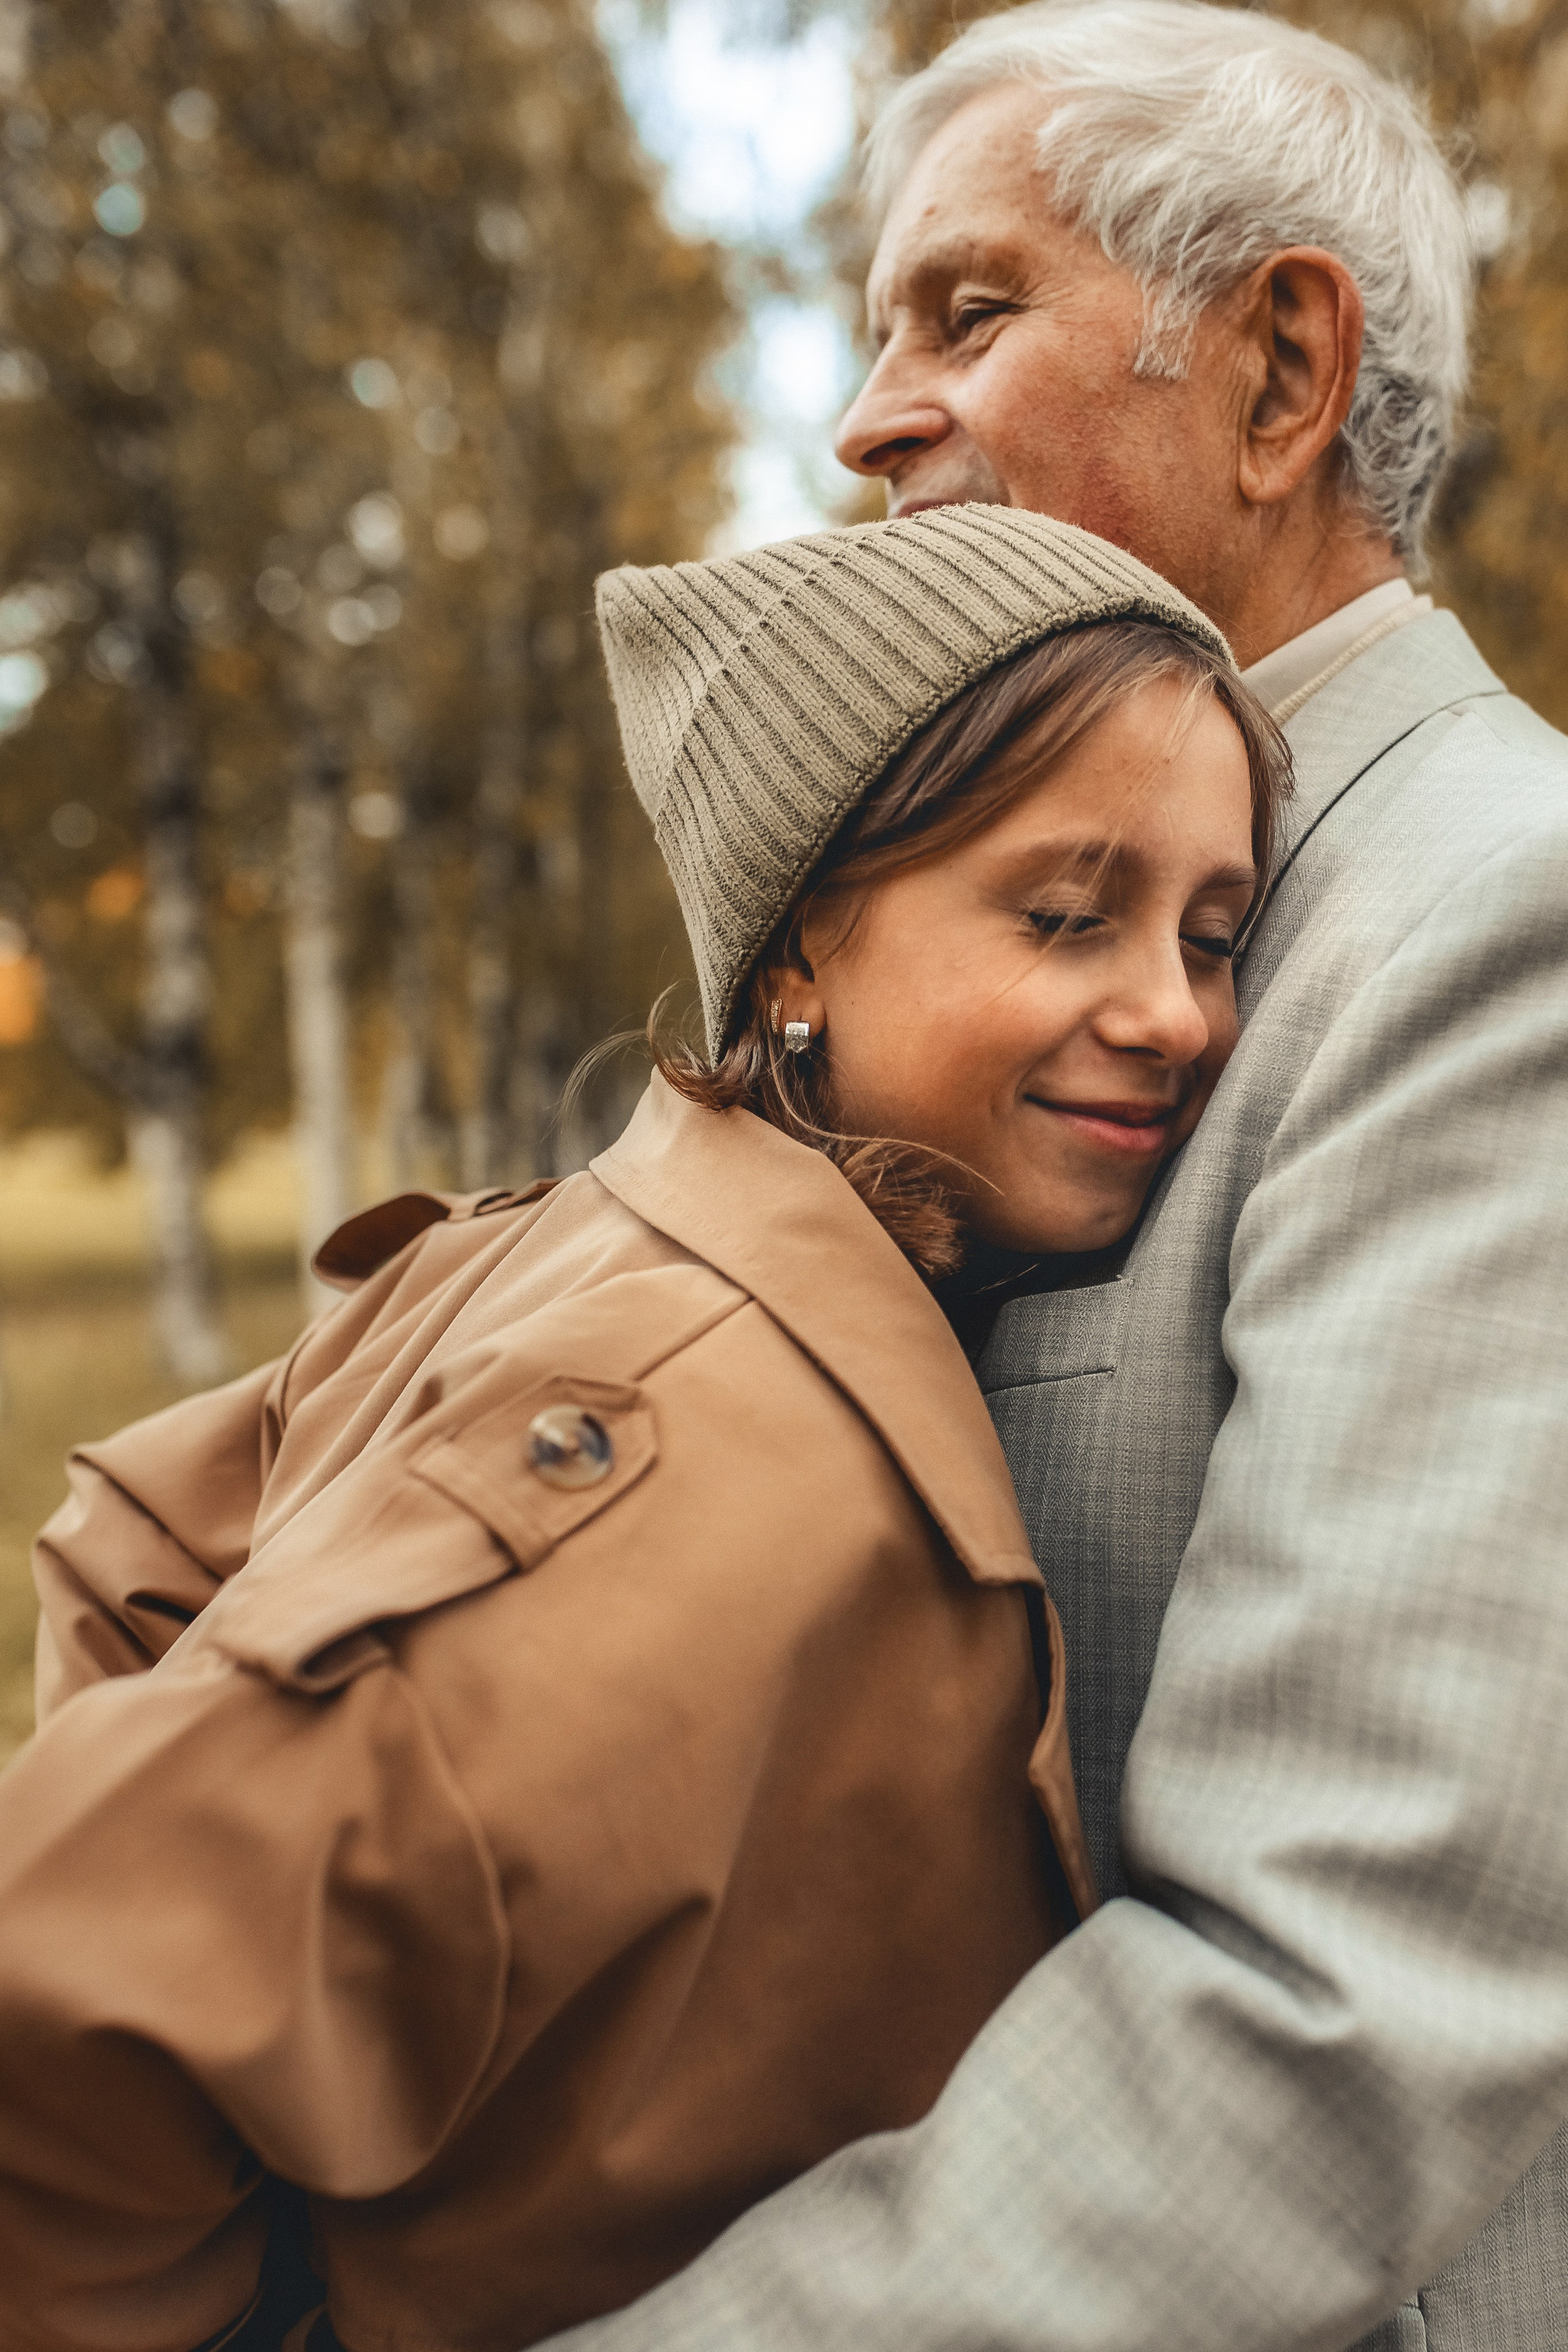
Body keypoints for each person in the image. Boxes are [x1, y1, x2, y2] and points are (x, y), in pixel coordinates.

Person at [534, 9, 1568, 2352]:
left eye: (966, 312)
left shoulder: (1506, 925)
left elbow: (1338, 2009)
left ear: (1283, 374)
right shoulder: (1054, 903)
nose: (865, 416)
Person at [0, 508, 1286, 2351]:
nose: (1176, 1012)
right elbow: (70, 2006)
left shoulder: (603, 1233)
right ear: (797, 955)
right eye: (1068, 915)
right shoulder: (706, 1423)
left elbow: (134, 1544)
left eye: (1218, 932)